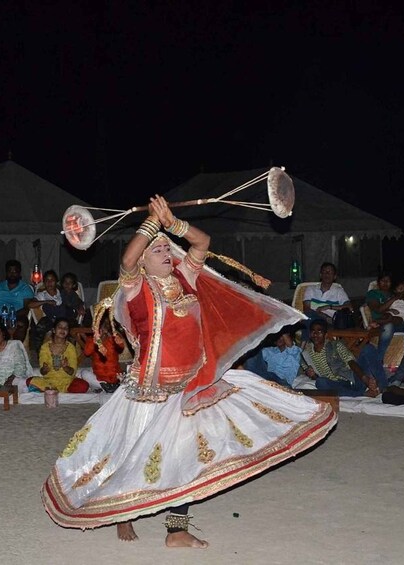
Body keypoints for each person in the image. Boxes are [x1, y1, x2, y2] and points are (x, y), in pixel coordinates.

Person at [42, 196, 335, 549]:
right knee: (130, 453)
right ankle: (123, 513)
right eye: (158, 251)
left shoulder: (185, 277)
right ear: (146, 264)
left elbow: (202, 243)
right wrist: (151, 224)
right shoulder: (137, 290)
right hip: (148, 392)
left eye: (168, 248)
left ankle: (176, 530)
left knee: (182, 457)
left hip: (192, 386)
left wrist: (172, 222)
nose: (167, 253)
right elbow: (127, 260)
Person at [299, 318, 382, 396]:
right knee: (320, 382)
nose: (316, 334)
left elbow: (351, 362)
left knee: (368, 349)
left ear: (326, 335)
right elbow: (315, 377)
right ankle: (361, 394)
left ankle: (382, 386)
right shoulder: (306, 353)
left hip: (352, 379)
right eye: (313, 331)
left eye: (319, 332)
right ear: (309, 334)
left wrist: (365, 379)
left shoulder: (335, 345)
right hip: (335, 385)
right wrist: (311, 375)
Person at [366, 273, 404, 367]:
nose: (386, 283)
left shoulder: (397, 294)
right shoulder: (373, 293)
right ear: (378, 282)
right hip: (385, 322)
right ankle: (378, 360)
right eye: (383, 280)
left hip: (401, 320)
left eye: (388, 281)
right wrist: (393, 301)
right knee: (388, 325)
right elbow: (378, 309)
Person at [28, 318, 89, 393]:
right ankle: (52, 389)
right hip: (49, 382)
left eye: (66, 328)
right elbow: (42, 372)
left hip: (67, 382)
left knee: (83, 386)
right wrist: (45, 369)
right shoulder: (45, 347)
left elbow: (72, 372)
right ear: (53, 330)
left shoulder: (71, 348)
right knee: (29, 380)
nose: (63, 329)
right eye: (60, 327)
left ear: (68, 332)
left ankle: (51, 390)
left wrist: (66, 367)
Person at [0, 260, 35, 342]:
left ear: (19, 273)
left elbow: (26, 308)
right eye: (10, 271)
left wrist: (11, 316)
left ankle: (15, 348)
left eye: (15, 271)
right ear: (6, 273)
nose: (12, 274)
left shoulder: (25, 288)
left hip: (17, 316)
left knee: (21, 323)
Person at [77, 318, 126, 392]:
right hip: (99, 377)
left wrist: (111, 335)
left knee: (128, 374)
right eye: (101, 328)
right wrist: (97, 339)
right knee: (84, 373)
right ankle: (105, 387)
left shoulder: (113, 339)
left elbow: (121, 347)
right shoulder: (92, 339)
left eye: (105, 327)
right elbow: (87, 352)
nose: (103, 330)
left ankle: (103, 387)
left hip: (114, 377)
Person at [302, 262, 353, 331]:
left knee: (312, 321)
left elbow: (349, 307)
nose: (327, 274)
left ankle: (305, 341)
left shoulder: (338, 291)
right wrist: (321, 315)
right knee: (309, 318)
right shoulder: (311, 289)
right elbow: (306, 308)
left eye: (330, 272)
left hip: (331, 321)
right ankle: (306, 341)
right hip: (314, 318)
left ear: (334, 276)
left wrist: (329, 306)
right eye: (324, 272)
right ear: (320, 275)